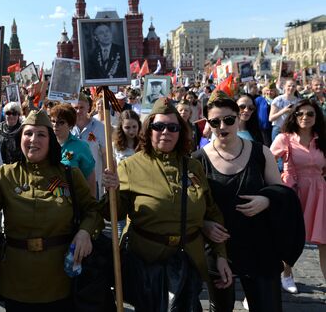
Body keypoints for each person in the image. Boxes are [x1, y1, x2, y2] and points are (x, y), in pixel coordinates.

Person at [101, 97, 232, 310]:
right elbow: (111, 213)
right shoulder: (130, 166)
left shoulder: (193, 166)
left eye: (172, 127)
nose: (165, 132)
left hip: (188, 261)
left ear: (181, 132)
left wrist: (221, 256)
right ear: (148, 130)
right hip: (146, 264)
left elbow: (212, 212)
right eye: (159, 126)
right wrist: (112, 190)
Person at [0, 109, 103, 312]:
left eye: (41, 134)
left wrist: (85, 232)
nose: (34, 139)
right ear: (20, 138)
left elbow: (93, 211)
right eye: (28, 133)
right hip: (16, 281)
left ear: (50, 140)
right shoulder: (6, 174)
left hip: (60, 280)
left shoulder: (69, 175)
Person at [193, 91, 302, 312]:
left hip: (259, 244)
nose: (222, 126)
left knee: (267, 305)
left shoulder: (261, 152)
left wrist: (266, 199)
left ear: (238, 118)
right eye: (215, 122)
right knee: (221, 307)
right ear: (209, 124)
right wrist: (204, 225)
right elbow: (192, 206)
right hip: (219, 247)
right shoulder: (198, 160)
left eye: (228, 120)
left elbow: (280, 191)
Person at [270, 99, 326, 290]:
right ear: (293, 116)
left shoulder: (322, 139)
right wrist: (278, 181)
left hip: (319, 192)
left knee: (324, 240)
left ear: (316, 116)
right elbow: (267, 161)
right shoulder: (284, 138)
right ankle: (286, 274)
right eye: (300, 113)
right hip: (294, 192)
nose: (305, 117)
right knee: (291, 238)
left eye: (310, 114)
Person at [49, 103, 97, 197]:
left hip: (74, 201)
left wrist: (92, 207)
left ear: (70, 125)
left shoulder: (81, 147)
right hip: (49, 202)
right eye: (53, 121)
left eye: (61, 122)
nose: (55, 125)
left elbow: (90, 180)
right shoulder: (45, 144)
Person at [72, 93, 106, 198]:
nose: (78, 111)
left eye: (81, 107)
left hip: (93, 180)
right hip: (72, 180)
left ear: (88, 107)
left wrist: (106, 176)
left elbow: (105, 154)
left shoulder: (99, 127)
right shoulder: (67, 127)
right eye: (75, 108)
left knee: (93, 211)